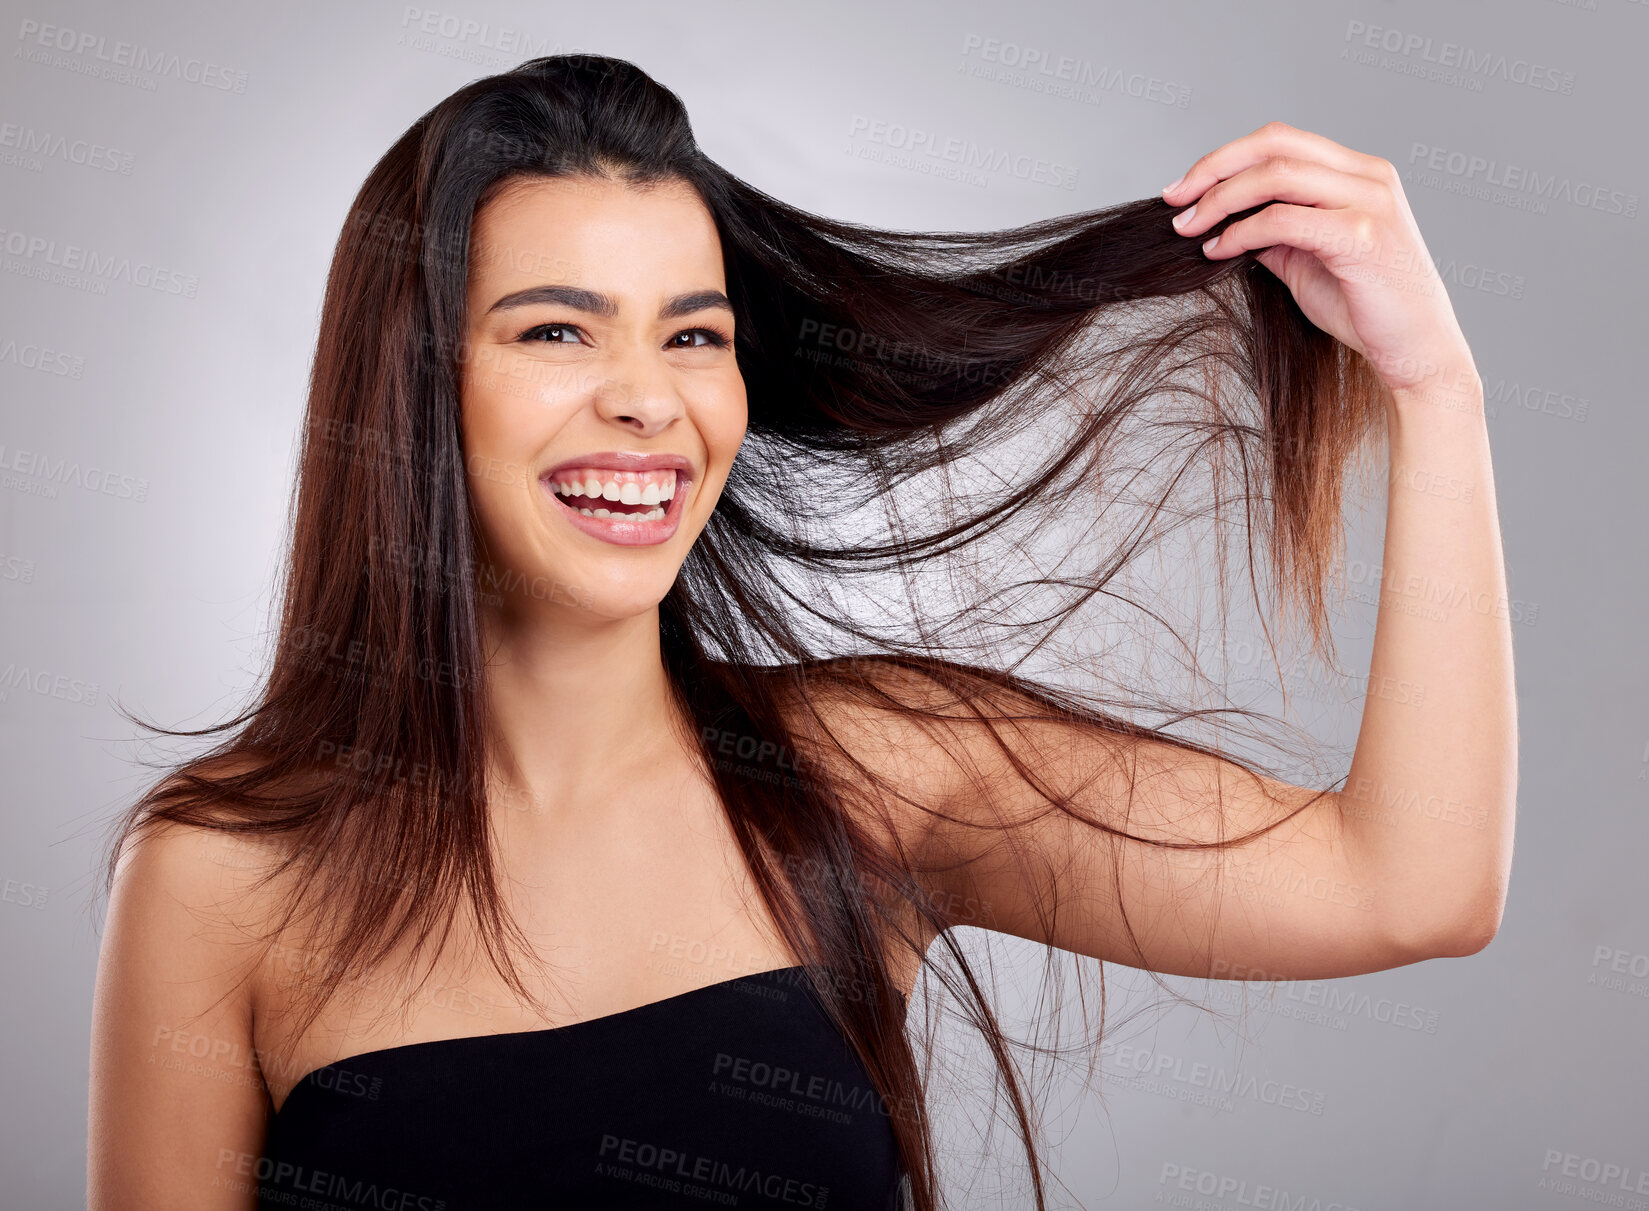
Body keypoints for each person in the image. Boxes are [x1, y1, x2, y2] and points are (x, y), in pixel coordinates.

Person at [86, 54, 1515, 1211]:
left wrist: (1432, 390)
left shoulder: (869, 773)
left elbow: (1407, 885)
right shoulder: (223, 875)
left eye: (693, 335)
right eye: (557, 333)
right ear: (413, 386)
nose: (649, 402)